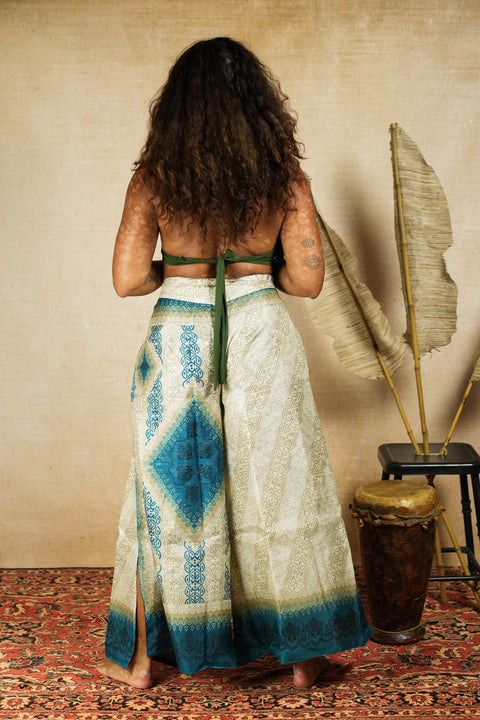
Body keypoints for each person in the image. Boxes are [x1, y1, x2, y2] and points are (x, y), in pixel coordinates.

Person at [96, 36, 371, 690]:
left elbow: (128, 279)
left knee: (165, 495)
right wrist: (252, 267)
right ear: (259, 105)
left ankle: (139, 662)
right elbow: (306, 280)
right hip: (260, 336)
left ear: (177, 108)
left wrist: (181, 271)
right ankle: (305, 657)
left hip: (177, 343)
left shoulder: (153, 180)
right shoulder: (285, 179)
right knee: (282, 485)